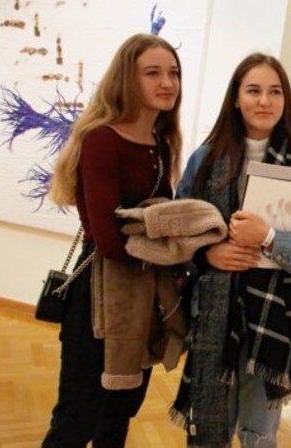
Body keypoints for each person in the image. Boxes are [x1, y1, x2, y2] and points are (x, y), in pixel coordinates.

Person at [171, 52, 291, 447]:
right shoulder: (205, 159)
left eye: (274, 92)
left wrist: (270, 238)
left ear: (286, 100)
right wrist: (206, 255)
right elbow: (177, 233)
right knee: (207, 433)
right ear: (236, 98)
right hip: (213, 317)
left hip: (275, 322)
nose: (264, 101)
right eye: (253, 90)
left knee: (259, 435)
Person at [43, 33, 183, 447]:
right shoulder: (103, 139)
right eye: (153, 72)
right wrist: (172, 243)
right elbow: (109, 239)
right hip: (98, 297)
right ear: (127, 78)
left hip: (142, 298)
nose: (167, 82)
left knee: (118, 415)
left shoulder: (160, 143)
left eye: (173, 73)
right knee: (77, 417)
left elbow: (153, 221)